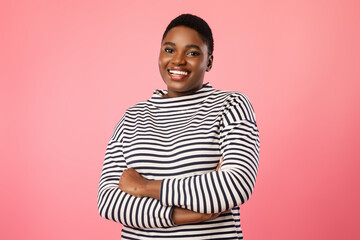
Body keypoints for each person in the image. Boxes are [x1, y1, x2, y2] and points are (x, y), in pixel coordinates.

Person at [97, 13, 260, 239]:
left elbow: (235, 185)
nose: (178, 60)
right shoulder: (132, 118)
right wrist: (185, 215)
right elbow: (108, 201)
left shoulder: (231, 105)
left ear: (209, 61)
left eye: (192, 53)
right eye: (169, 50)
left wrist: (144, 187)